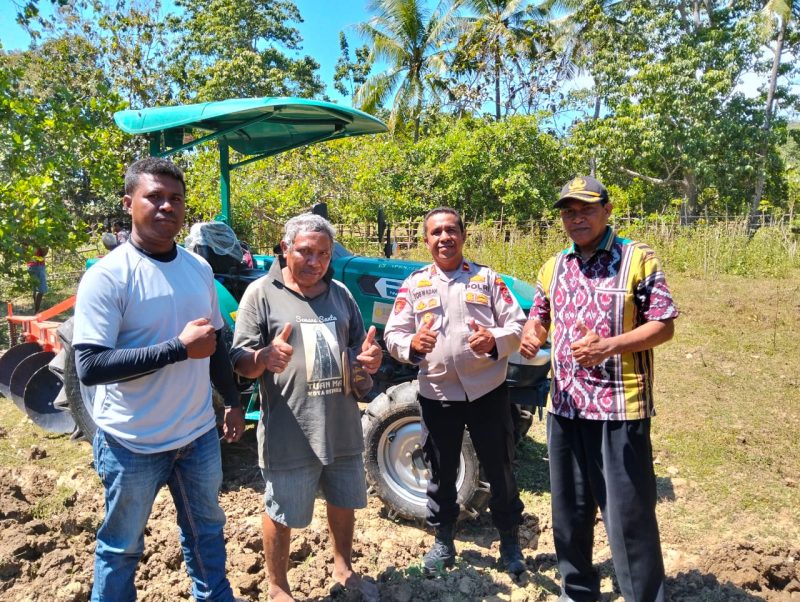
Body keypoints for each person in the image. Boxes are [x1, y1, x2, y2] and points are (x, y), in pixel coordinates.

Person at [72, 157, 246, 602]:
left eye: (176, 199)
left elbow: (215, 345)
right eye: (155, 197)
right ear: (129, 203)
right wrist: (177, 349)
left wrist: (231, 400)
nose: (167, 206)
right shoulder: (107, 277)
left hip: (196, 436)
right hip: (131, 443)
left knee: (206, 533)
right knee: (122, 546)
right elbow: (90, 366)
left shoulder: (199, 269)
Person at [520, 176, 678, 602]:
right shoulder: (554, 266)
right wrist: (533, 334)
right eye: (569, 212)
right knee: (568, 514)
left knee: (628, 518)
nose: (577, 218)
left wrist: (610, 345)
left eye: (586, 209)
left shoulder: (636, 258)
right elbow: (540, 315)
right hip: (565, 407)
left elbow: (663, 325)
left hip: (620, 407)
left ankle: (643, 597)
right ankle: (578, 592)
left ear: (607, 210)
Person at [229, 213, 383, 602]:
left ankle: (344, 568)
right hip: (290, 431)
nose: (315, 262)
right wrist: (263, 357)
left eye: (324, 254)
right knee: (283, 513)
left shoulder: (342, 295)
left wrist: (368, 363)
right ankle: (278, 587)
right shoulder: (261, 294)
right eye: (305, 252)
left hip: (342, 426)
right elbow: (239, 362)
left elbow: (356, 355)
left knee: (343, 501)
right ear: (285, 249)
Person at [383, 207, 527, 577]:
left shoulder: (488, 279)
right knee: (441, 470)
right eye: (436, 232)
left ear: (464, 235)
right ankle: (443, 539)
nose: (444, 237)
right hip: (437, 394)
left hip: (487, 393)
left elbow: (517, 325)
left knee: (500, 467)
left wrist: (493, 339)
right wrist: (412, 343)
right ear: (426, 240)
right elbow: (393, 335)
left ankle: (509, 539)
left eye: (451, 230)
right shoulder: (415, 284)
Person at [27, 246, 48, 313]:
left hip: (30, 266)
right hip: (38, 265)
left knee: (34, 288)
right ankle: (36, 311)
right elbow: (44, 251)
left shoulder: (26, 239)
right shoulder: (39, 240)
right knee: (41, 290)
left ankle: (36, 310)